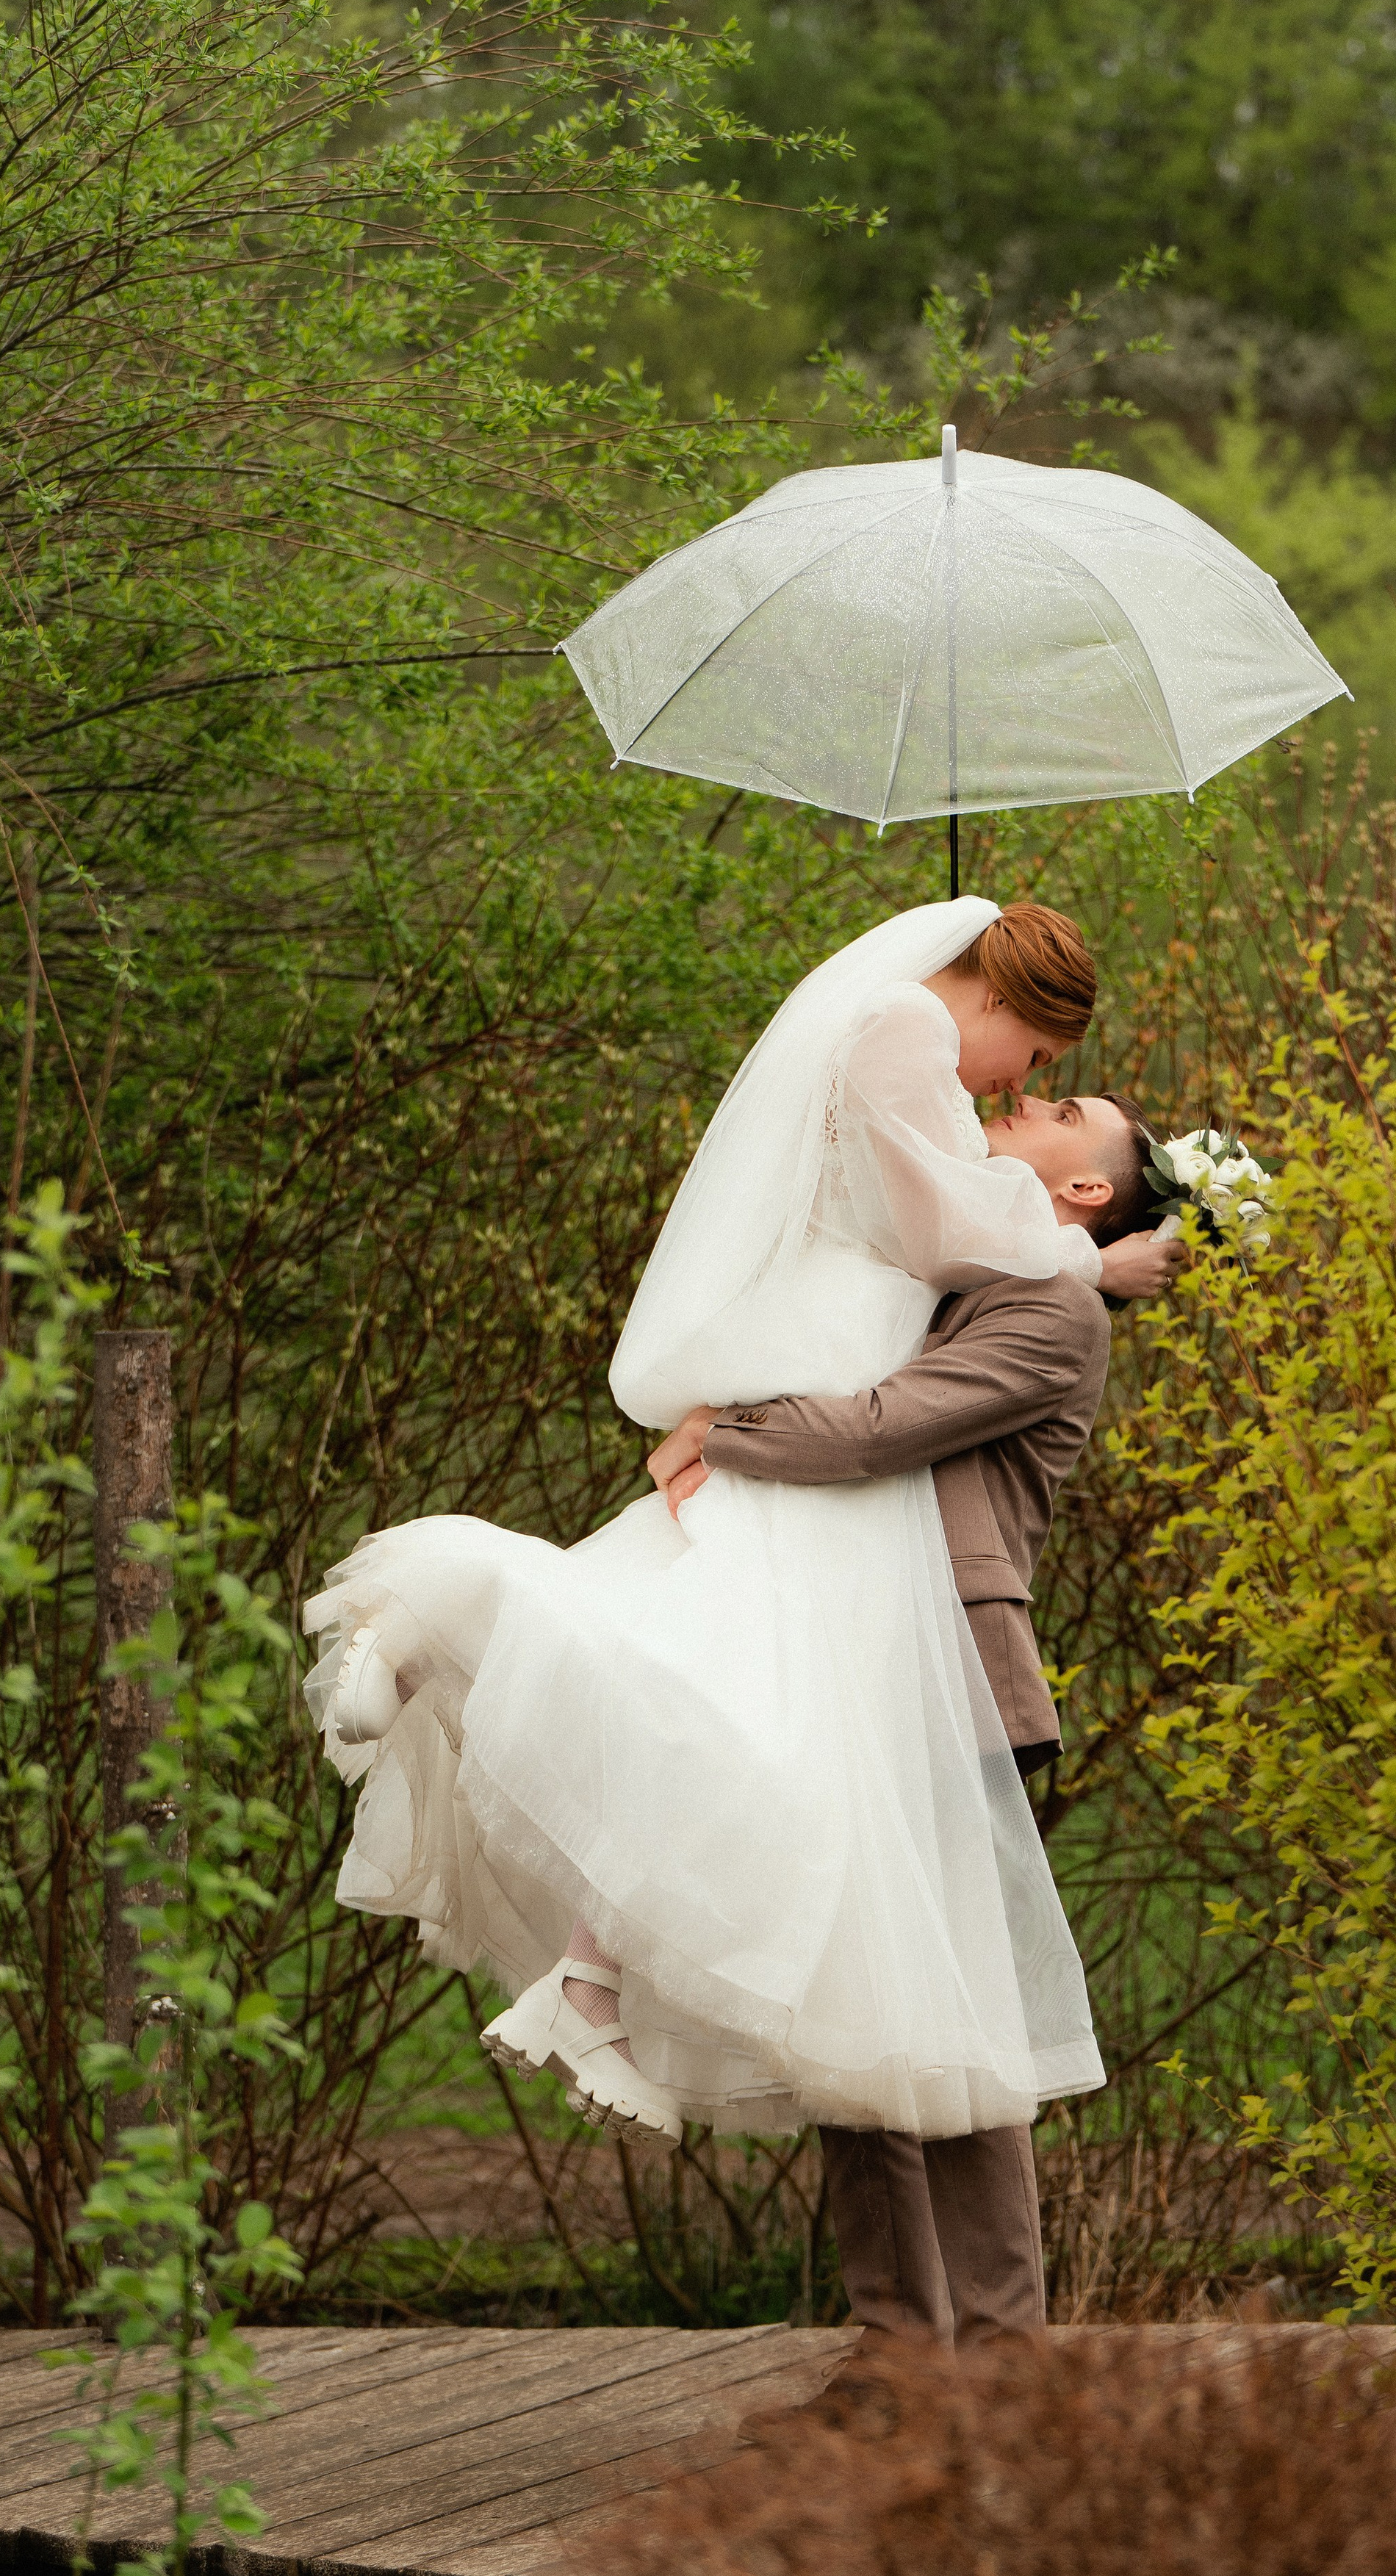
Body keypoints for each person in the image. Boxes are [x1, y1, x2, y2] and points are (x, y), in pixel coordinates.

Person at [303, 897, 1180, 2156]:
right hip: (829, 1363)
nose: (1019, 1085)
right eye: (1035, 1057)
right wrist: (1093, 1261)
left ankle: (585, 1969)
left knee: (718, 1689)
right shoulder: (904, 1032)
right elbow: (939, 1236)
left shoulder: (915, 1051)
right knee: (736, 1703)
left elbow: (945, 1226)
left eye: (1046, 1085)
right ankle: (435, 1607)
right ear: (1002, 999)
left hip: (834, 1364)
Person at [648, 1082, 1164, 2347]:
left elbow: (880, 1428)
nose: (1020, 1099)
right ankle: (898, 2361)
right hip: (844, 1669)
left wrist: (722, 1429)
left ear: (1085, 1188)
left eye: (1061, 1107)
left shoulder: (1049, 1313)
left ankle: (1000, 2363)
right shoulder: (979, 1277)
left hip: (950, 1683)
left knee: (955, 2020)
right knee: (853, 2013)